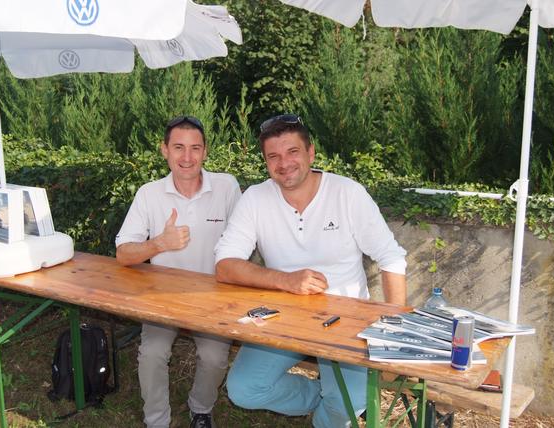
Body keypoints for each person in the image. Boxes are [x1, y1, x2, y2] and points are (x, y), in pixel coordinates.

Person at [214, 114, 407, 428]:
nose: (284, 163)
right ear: (266, 162)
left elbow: (391, 257)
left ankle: (329, 412)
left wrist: (394, 328)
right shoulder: (256, 198)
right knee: (244, 389)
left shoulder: (347, 193)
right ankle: (322, 398)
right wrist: (285, 280)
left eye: (293, 152)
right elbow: (225, 265)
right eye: (273, 156)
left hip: (346, 319)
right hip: (281, 315)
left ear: (311, 153)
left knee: (348, 402)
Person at [115, 115, 241, 428]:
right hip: (163, 298)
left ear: (205, 151)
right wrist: (159, 243)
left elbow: (244, 241)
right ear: (164, 150)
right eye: (178, 147)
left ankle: (201, 409)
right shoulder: (149, 193)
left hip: (213, 297)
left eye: (195, 148)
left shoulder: (227, 187)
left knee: (214, 357)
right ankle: (157, 421)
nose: (187, 157)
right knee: (152, 353)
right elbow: (123, 253)